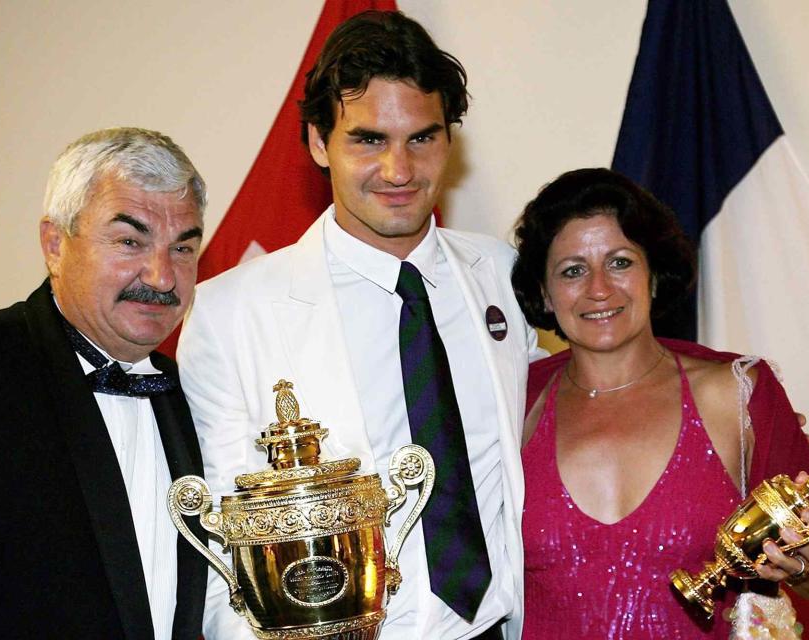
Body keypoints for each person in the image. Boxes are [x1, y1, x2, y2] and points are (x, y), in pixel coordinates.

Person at [179, 11, 540, 640]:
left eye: (422, 139)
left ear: (449, 142)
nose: (399, 171)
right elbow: (224, 538)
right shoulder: (227, 313)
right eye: (369, 140)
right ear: (319, 142)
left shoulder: (504, 275)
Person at [510, 168, 809, 638]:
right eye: (572, 270)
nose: (598, 288)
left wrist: (804, 565)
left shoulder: (736, 394)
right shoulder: (509, 403)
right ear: (543, 295)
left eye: (619, 262)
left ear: (653, 274)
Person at [0, 127, 209, 639]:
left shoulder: (190, 394)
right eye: (130, 240)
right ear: (54, 245)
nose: (161, 276)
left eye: (182, 248)